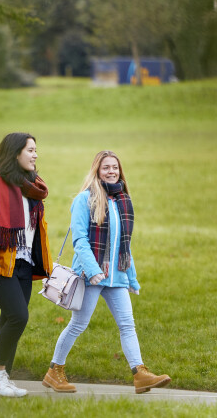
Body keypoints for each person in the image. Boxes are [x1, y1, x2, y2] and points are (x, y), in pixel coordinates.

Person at [42, 150, 171, 394]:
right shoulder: (84, 199)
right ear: (96, 171)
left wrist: (131, 278)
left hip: (117, 277)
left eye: (115, 167)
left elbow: (125, 244)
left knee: (127, 324)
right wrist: (92, 271)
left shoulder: (122, 200)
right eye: (106, 168)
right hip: (90, 277)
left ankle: (140, 373)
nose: (111, 171)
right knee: (78, 325)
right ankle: (54, 371)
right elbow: (79, 240)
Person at [0, 132, 52, 397]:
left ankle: (2, 381)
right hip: (1, 264)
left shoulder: (31, 186)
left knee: (9, 320)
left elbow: (36, 230)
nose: (35, 154)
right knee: (19, 316)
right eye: (30, 150)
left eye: (35, 150)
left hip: (24, 263)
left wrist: (46, 264)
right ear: (14, 153)